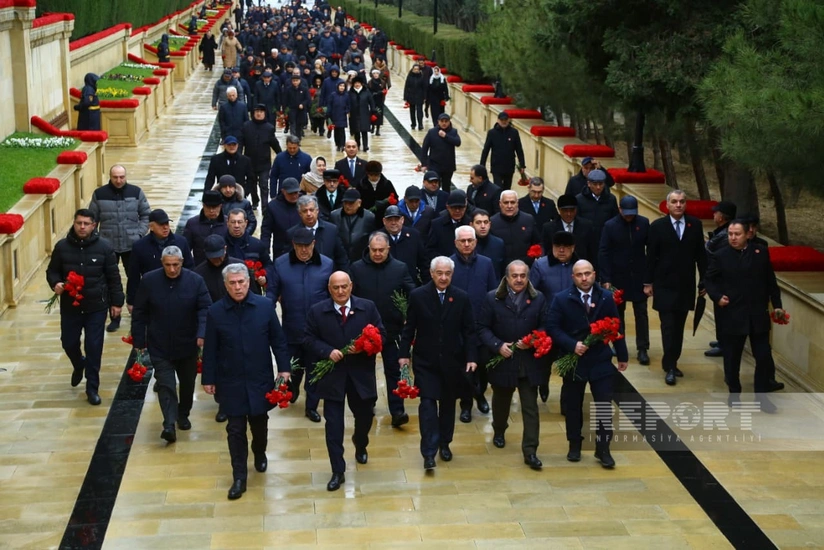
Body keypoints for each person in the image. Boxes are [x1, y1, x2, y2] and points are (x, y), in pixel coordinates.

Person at [202, 263, 291, 500]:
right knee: (235, 429)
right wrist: (208, 378)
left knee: (259, 423)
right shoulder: (216, 312)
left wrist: (284, 369)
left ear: (248, 282)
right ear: (226, 285)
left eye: (241, 282)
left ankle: (259, 452)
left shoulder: (264, 307)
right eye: (232, 283)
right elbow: (210, 349)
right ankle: (239, 475)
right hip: (229, 382)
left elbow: (278, 341)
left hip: (259, 379)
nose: (238, 287)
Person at [303, 271, 386, 491]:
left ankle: (361, 443)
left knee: (365, 416)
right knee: (334, 427)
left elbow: (382, 335)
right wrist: (327, 351)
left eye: (344, 287)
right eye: (335, 288)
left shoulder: (367, 307)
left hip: (361, 376)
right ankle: (337, 471)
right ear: (329, 289)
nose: (340, 291)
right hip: (333, 378)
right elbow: (308, 338)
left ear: (351, 286)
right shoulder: (317, 311)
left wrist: (365, 347)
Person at [547, 260, 628, 468]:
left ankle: (603, 449)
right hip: (575, 361)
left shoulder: (606, 297)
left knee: (603, 407)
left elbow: (616, 325)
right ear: (573, 277)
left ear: (594, 274)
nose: (584, 278)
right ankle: (574, 445)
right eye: (579, 275)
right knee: (573, 406)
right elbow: (553, 328)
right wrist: (572, 345)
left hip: (600, 360)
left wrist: (622, 355)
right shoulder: (561, 299)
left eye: (587, 274)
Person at [399, 257, 478, 470]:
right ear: (432, 274)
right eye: (439, 273)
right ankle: (428, 452)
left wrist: (471, 357)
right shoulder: (418, 296)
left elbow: (469, 330)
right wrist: (403, 354)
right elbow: (409, 328)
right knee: (427, 406)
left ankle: (445, 443)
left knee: (447, 405)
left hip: (453, 361)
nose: (443, 278)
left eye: (447, 274)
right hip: (426, 361)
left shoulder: (461, 297)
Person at [131, 246, 211, 443]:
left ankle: (183, 414)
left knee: (187, 383)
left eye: (176, 265)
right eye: (168, 265)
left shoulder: (195, 281)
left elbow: (205, 309)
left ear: (182, 263)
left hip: (187, 345)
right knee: (166, 384)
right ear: (162, 263)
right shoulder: (149, 281)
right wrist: (139, 340)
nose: (172, 269)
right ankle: (168, 423)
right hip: (159, 344)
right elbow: (140, 313)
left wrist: (202, 334)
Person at [46, 209, 124, 405]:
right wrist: (55, 283)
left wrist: (116, 303)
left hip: (96, 307)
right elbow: (52, 271)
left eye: (86, 223)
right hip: (71, 307)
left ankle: (92, 388)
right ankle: (78, 363)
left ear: (94, 225)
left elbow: (113, 277)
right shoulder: (62, 247)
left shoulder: (105, 247)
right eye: (79, 223)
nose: (82, 227)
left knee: (94, 346)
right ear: (74, 223)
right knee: (69, 342)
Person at [705, 221, 783, 412]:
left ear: (748, 234)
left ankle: (761, 397)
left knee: (763, 357)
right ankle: (734, 392)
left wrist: (778, 306)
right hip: (732, 315)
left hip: (757, 316)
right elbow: (709, 279)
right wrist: (717, 297)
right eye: (730, 234)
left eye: (737, 234)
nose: (732, 237)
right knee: (732, 358)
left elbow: (770, 281)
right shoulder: (721, 255)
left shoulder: (760, 253)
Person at [478, 261, 548, 470]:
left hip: (528, 363)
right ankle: (499, 429)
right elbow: (482, 328)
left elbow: (546, 325)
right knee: (501, 402)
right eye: (515, 276)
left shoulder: (538, 298)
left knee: (530, 407)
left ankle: (530, 450)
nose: (519, 279)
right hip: (503, 361)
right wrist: (498, 345)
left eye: (523, 276)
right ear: (506, 278)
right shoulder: (492, 298)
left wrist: (534, 340)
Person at [267, 228, 334, 423]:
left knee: (314, 369)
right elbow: (272, 292)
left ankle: (311, 406)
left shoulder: (327, 265)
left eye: (307, 246)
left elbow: (333, 295)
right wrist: (265, 309)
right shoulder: (280, 265)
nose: (304, 250)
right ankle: (292, 389)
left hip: (318, 331)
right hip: (292, 327)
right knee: (293, 366)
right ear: (293, 246)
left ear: (314, 244)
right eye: (299, 246)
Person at [351, 232, 417, 427]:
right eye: (374, 250)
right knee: (365, 371)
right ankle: (368, 405)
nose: (378, 253)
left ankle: (397, 411)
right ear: (368, 249)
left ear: (388, 249)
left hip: (393, 329)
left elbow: (412, 292)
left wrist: (409, 315)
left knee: (393, 370)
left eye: (381, 250)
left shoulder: (400, 268)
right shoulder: (357, 268)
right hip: (365, 331)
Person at [645, 190, 707, 386]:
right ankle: (670, 366)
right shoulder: (657, 227)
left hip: (685, 286)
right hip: (664, 285)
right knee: (668, 326)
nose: (678, 205)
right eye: (674, 202)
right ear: (667, 205)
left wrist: (704, 282)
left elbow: (701, 256)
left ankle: (672, 360)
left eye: (681, 202)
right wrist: (648, 283)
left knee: (679, 327)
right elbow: (650, 257)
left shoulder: (695, 225)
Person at [88, 164, 151, 332]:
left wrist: (139, 234)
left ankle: (137, 311)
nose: (118, 180)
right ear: (110, 176)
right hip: (108, 246)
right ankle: (114, 316)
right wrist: (96, 241)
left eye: (121, 177)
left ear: (126, 176)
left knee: (135, 279)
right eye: (115, 177)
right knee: (109, 281)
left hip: (132, 245)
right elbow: (92, 220)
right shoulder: (99, 194)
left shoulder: (136, 192)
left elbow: (146, 215)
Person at [450, 226, 497, 422]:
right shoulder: (449, 264)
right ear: (456, 243)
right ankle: (466, 403)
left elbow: (494, 293)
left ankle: (480, 393)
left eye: (470, 240)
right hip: (458, 327)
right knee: (464, 369)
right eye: (463, 241)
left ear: (476, 242)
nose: (467, 244)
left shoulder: (486, 263)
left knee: (484, 367)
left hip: (482, 325)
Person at [598, 195, 651, 365]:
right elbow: (603, 252)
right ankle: (619, 344)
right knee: (617, 314)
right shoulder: (610, 225)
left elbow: (650, 251)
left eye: (632, 213)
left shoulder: (643, 223)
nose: (629, 216)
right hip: (617, 277)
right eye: (626, 213)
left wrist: (649, 279)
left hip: (639, 276)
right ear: (620, 210)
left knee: (641, 313)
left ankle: (642, 348)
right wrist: (605, 279)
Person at [127, 209, 194, 310]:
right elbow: (134, 276)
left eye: (167, 223)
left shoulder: (181, 242)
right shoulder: (140, 247)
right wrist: (131, 300)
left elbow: (190, 268)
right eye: (161, 224)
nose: (165, 227)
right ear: (151, 227)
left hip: (178, 292)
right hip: (152, 296)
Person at [704, 200, 737, 358]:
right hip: (717, 278)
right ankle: (721, 340)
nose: (713, 214)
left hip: (723, 279)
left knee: (724, 313)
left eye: (716, 212)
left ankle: (725, 344)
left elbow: (713, 252)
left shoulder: (725, 236)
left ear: (722, 217)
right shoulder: (721, 232)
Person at [286, 195, 350, 272]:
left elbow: (341, 258)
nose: (308, 214)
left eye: (311, 210)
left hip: (328, 276)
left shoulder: (331, 230)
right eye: (305, 211)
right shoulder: (292, 233)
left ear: (317, 210)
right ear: (300, 213)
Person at [241, 104, 282, 209]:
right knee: (252, 184)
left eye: (261, 112)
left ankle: (265, 205)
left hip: (264, 162)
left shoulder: (269, 128)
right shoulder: (246, 126)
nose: (259, 114)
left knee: (264, 185)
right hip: (250, 161)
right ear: (253, 113)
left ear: (265, 113)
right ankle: (255, 201)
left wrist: (281, 155)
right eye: (257, 111)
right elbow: (241, 142)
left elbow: (274, 143)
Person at [380, 206, 430, 285]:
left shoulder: (414, 236)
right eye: (390, 220)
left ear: (402, 220)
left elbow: (423, 263)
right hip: (385, 284)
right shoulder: (378, 237)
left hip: (410, 284)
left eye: (396, 219)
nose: (393, 223)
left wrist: (427, 285)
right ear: (384, 221)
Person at [542, 194, 597, 266]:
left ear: (576, 209)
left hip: (581, 268)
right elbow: (546, 252)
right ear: (559, 210)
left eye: (572, 210)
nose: (569, 214)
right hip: (557, 268)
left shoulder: (586, 226)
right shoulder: (548, 228)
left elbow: (592, 252)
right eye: (565, 211)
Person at [491, 190, 541, 265]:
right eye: (506, 202)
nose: (509, 206)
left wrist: (531, 256)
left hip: (525, 267)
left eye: (512, 202)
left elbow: (537, 242)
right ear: (500, 204)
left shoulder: (528, 219)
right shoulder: (492, 222)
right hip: (501, 269)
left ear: (517, 203)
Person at [480, 111, 526, 190]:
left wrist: (522, 164)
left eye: (505, 120)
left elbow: (519, 149)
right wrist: (482, 165)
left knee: (507, 188)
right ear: (498, 120)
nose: (504, 122)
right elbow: (486, 150)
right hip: (496, 166)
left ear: (508, 120)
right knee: (498, 188)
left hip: (509, 166)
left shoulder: (514, 132)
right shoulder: (492, 133)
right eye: (502, 120)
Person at [194, 235, 244, 304]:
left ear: (225, 249)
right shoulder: (199, 273)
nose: (216, 260)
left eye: (219, 256)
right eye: (212, 257)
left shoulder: (240, 266)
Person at [184, 191, 230, 267]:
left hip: (224, 267)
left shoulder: (228, 223)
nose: (211, 211)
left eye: (214, 207)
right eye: (208, 207)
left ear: (220, 206)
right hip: (200, 266)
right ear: (203, 206)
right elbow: (186, 249)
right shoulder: (192, 223)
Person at [575, 169, 618, 247]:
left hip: (605, 241)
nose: (598, 187)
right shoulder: (579, 199)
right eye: (595, 184)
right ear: (589, 184)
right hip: (586, 241)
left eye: (601, 184)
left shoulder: (611, 199)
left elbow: (615, 220)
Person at [330, 188, 375, 262]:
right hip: (339, 260)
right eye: (345, 203)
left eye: (351, 203)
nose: (347, 206)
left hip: (361, 260)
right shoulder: (334, 216)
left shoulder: (369, 217)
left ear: (359, 203)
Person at [261, 177, 302, 258]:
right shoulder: (272, 206)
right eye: (291, 193)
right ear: (283, 191)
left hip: (302, 248)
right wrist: (264, 250)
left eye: (296, 193)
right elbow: (266, 231)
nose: (294, 196)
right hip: (281, 250)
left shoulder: (304, 204)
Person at [420, 113, 461, 191]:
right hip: (434, 165)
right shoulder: (432, 132)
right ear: (438, 122)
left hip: (448, 166)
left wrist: (446, 136)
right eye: (442, 121)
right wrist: (424, 164)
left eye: (446, 121)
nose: (444, 123)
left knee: (446, 187)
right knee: (434, 186)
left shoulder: (453, 132)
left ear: (449, 122)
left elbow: (458, 142)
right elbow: (424, 149)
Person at [427, 190, 471, 258]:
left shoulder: (471, 224)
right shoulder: (436, 225)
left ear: (465, 207)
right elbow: (430, 250)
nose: (457, 211)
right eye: (454, 208)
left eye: (460, 208)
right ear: (447, 207)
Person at [471, 209, 506, 280]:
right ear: (471, 225)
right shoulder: (467, 244)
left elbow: (502, 269)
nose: (483, 226)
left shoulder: (498, 243)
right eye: (478, 222)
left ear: (489, 224)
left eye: (486, 222)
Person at [347, 77, 374, 151]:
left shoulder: (366, 92)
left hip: (364, 114)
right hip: (354, 114)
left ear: (361, 83)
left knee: (364, 131)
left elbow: (371, 102)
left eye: (358, 83)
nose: (357, 85)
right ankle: (358, 145)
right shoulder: (350, 93)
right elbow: (347, 103)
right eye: (355, 83)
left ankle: (365, 146)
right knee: (356, 131)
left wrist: (373, 111)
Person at [282, 73, 310, 139]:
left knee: (299, 125)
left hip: (301, 110)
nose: (295, 82)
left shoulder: (304, 89)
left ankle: (298, 138)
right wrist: (284, 111)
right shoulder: (288, 89)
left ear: (299, 81)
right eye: (294, 81)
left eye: (296, 80)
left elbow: (307, 99)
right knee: (292, 124)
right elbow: (285, 100)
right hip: (292, 109)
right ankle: (293, 138)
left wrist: (303, 104)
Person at [403, 64, 426, 130]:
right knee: (412, 111)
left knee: (419, 111)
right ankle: (413, 123)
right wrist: (405, 97)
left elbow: (424, 87)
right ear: (412, 69)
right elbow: (406, 87)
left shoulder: (421, 76)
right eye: (415, 69)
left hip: (419, 96)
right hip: (411, 96)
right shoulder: (410, 76)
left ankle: (420, 124)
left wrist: (424, 96)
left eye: (417, 69)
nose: (416, 71)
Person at [367, 68, 386, 135]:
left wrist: (382, 93)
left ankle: (378, 129)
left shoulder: (382, 82)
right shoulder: (370, 82)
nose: (375, 75)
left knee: (379, 114)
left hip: (380, 101)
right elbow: (368, 91)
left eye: (377, 74)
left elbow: (384, 91)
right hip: (372, 100)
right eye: (374, 74)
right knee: (372, 113)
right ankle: (372, 127)